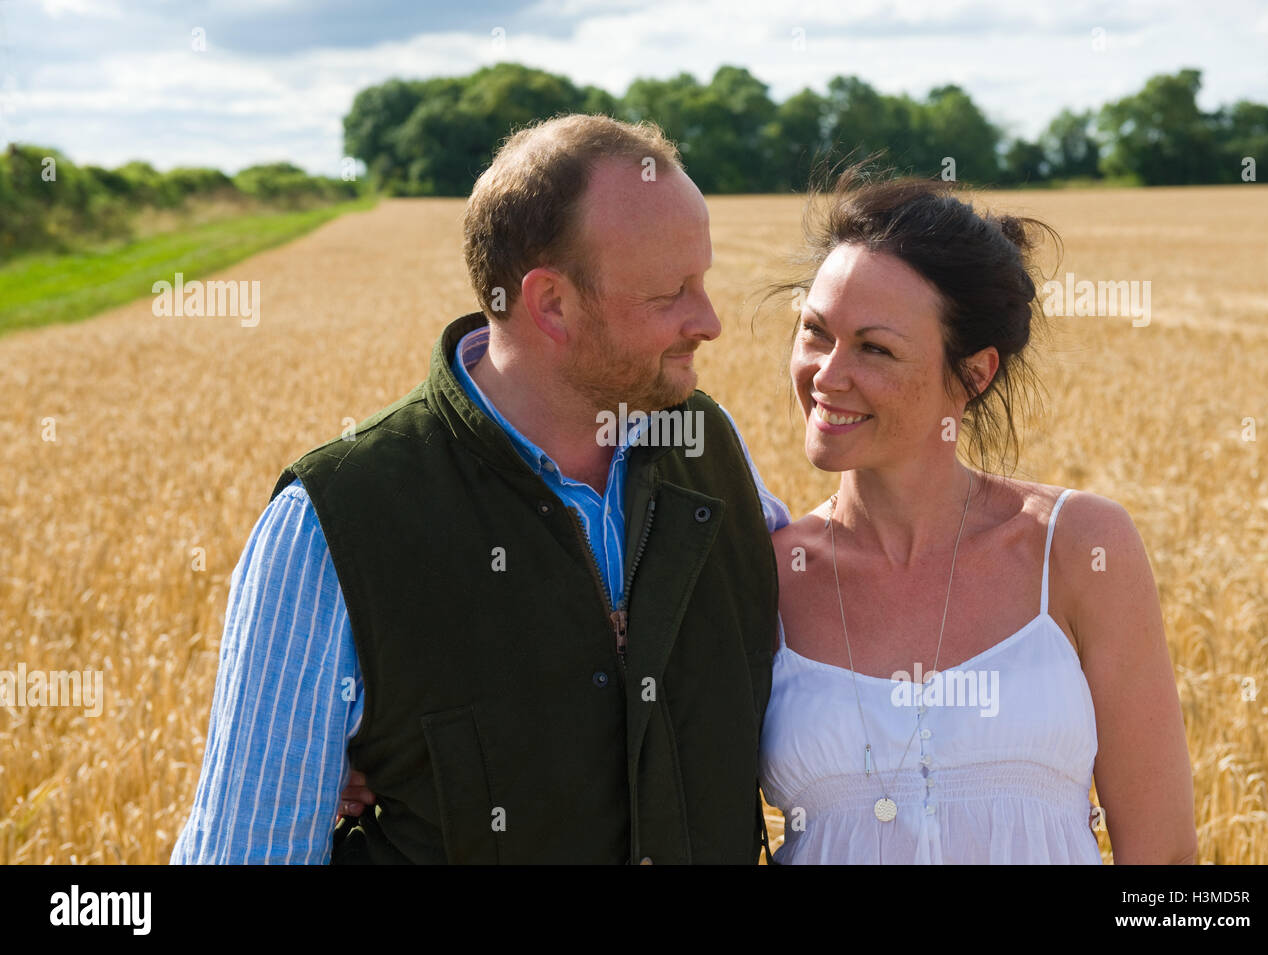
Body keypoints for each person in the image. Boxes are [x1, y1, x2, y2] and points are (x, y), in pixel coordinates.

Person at [170, 114, 790, 864]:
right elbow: (249, 849)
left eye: (706, 280)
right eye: (672, 293)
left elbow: (841, 635)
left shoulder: (710, 445)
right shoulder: (331, 525)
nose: (711, 320)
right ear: (552, 304)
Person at [757, 170, 1197, 864]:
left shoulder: (1078, 549)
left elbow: (1164, 859)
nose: (826, 375)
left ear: (975, 373)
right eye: (815, 332)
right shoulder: (766, 573)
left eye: (874, 348)